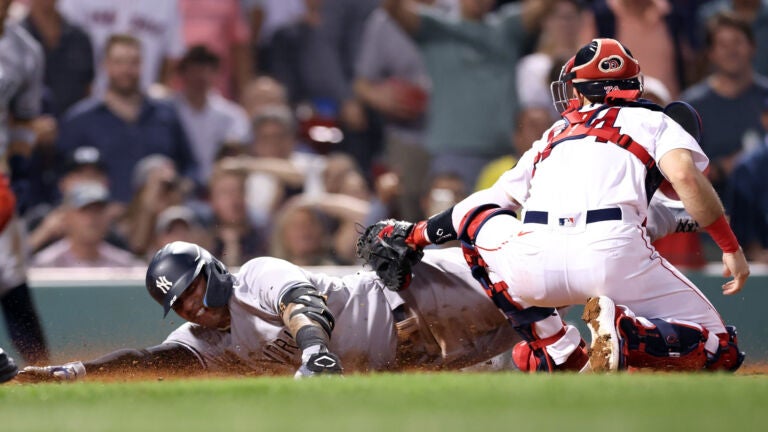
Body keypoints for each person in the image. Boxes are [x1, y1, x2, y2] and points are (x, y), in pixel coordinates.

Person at [371, 38, 750, 373]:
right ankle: (632, 336)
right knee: (722, 347)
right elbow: (684, 178)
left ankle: (554, 347)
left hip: (533, 269)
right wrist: (729, 245)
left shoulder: (554, 135)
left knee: (478, 220)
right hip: (611, 256)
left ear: (585, 90)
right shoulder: (654, 121)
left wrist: (415, 234)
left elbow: (482, 205)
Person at [17, 241, 522, 380]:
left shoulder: (253, 276)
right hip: (427, 357)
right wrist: (72, 372)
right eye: (181, 303)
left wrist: (317, 355)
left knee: (535, 284)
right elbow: (150, 360)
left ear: (212, 269)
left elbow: (302, 305)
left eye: (194, 288)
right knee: (536, 331)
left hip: (422, 295)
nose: (194, 305)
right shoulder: (207, 340)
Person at [56, 34, 198, 204]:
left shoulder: (166, 114)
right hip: (103, 218)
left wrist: (181, 188)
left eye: (133, 63)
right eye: (119, 62)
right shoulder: (79, 120)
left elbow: (191, 167)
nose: (126, 70)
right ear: (105, 65)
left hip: (159, 218)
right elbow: (60, 178)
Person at [0, 0, 49, 365]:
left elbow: (25, 119)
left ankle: (40, 366)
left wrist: (17, 167)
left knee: (11, 275)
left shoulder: (25, 50)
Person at [681, 11, 768, 200]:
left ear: (753, 47)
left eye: (738, 42)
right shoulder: (690, 106)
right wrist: (722, 169)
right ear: (710, 53)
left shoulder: (765, 97)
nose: (731, 51)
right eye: (723, 44)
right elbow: (681, 176)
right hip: (715, 216)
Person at [31, 182, 142, 268]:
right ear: (67, 216)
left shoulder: (126, 266)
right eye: (85, 210)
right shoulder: (44, 265)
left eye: (98, 210)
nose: (92, 218)